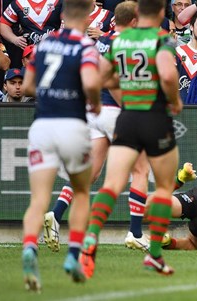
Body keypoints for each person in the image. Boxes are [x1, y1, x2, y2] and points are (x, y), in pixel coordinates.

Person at [79, 0, 183, 278]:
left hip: (127, 118)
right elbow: (169, 76)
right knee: (163, 187)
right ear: (161, 13)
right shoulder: (161, 38)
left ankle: (89, 241)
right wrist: (174, 100)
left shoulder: (119, 41)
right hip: (154, 117)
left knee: (111, 184)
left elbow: (99, 79)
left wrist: (122, 87)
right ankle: (155, 256)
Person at [42, 0, 152, 254]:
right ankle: (135, 232)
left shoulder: (103, 41)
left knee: (89, 172)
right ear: (133, 21)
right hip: (114, 111)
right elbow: (112, 81)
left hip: (95, 112)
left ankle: (56, 215)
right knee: (140, 168)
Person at [20, 0, 101, 291]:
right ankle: (73, 255)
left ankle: (30, 248)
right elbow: (91, 83)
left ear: (63, 14)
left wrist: (50, 89)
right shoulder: (86, 47)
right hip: (72, 125)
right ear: (90, 13)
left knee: (38, 199)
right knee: (81, 191)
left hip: (42, 125)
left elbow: (28, 86)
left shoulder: (45, 44)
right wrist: (94, 102)